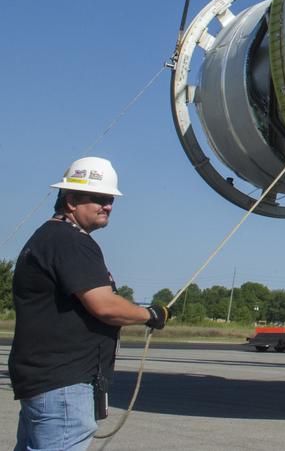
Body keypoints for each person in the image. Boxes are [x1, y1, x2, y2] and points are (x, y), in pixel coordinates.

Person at [9, 158, 170, 451]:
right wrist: (150, 314)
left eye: (110, 199)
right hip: (63, 386)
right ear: (71, 200)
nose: (107, 206)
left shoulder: (47, 237)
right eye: (99, 199)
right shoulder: (70, 241)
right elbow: (104, 305)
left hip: (47, 383)